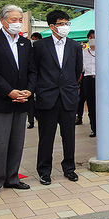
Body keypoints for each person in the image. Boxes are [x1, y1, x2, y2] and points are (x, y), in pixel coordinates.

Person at [0, 5, 32, 197]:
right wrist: (9, 91)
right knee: (0, 143)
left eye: (20, 20)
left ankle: (12, 177)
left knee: (17, 142)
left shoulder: (25, 43)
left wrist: (29, 91)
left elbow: (31, 70)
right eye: (13, 20)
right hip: (2, 99)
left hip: (22, 99)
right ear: (3, 20)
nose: (17, 23)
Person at [31, 10, 83, 185]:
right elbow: (35, 71)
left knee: (69, 136)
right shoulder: (39, 46)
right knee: (46, 137)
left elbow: (77, 71)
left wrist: (70, 87)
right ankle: (44, 171)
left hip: (68, 97)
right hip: (47, 98)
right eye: (61, 24)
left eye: (67, 23)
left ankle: (69, 168)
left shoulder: (75, 46)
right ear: (52, 26)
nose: (65, 27)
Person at [82, 30, 96, 137]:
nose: (93, 39)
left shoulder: (104, 51)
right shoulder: (84, 52)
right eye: (91, 37)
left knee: (101, 104)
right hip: (88, 79)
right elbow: (81, 68)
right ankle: (94, 128)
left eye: (95, 37)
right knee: (91, 104)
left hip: (101, 80)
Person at [27, 32, 42, 129]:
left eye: (36, 39)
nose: (34, 40)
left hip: (41, 80)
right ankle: (31, 120)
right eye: (33, 38)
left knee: (40, 100)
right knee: (30, 101)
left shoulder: (43, 50)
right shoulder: (29, 50)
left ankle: (39, 117)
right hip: (31, 80)